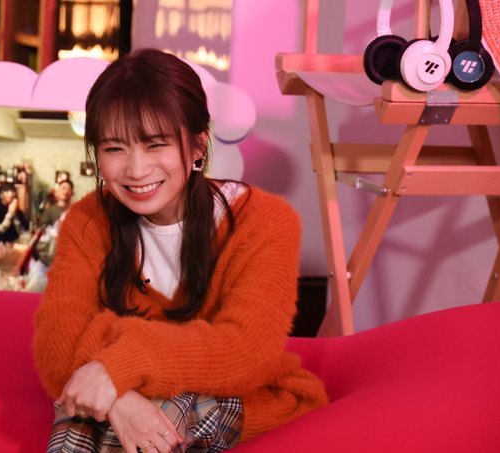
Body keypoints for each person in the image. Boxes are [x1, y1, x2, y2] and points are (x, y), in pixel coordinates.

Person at [32, 48, 328, 453]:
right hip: (130, 395)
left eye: (156, 145)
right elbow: (56, 347)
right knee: (81, 416)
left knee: (139, 418)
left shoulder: (264, 221)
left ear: (197, 145)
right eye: (115, 148)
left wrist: (117, 360)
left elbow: (244, 352)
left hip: (244, 397)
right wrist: (119, 398)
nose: (136, 170)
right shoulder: (88, 220)